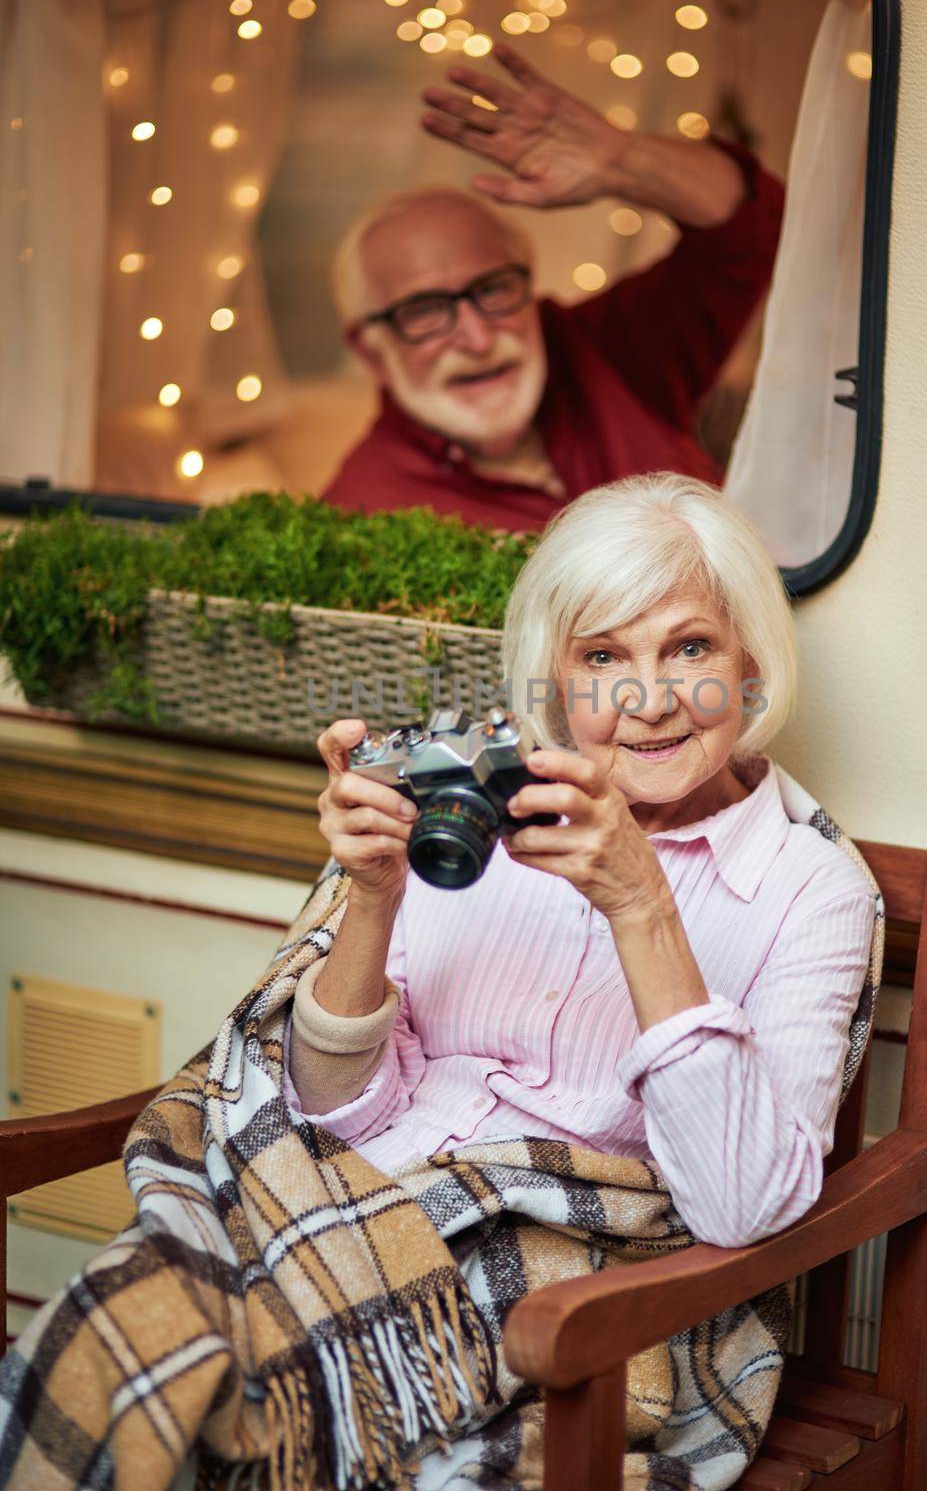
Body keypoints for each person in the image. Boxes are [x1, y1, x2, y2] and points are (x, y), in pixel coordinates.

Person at [291, 470, 877, 1251]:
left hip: (557, 1287)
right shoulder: (473, 813)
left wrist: (643, 905)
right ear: (559, 685)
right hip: (346, 1207)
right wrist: (373, 896)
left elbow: (741, 1210)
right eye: (602, 658)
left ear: (751, 665)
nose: (648, 700)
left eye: (690, 647)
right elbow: (328, 1109)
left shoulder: (814, 891)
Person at [322, 43, 784, 531]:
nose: (477, 340)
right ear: (371, 352)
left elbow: (752, 235)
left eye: (492, 289)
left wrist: (624, 162)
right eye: (425, 311)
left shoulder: (599, 350)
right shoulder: (362, 516)